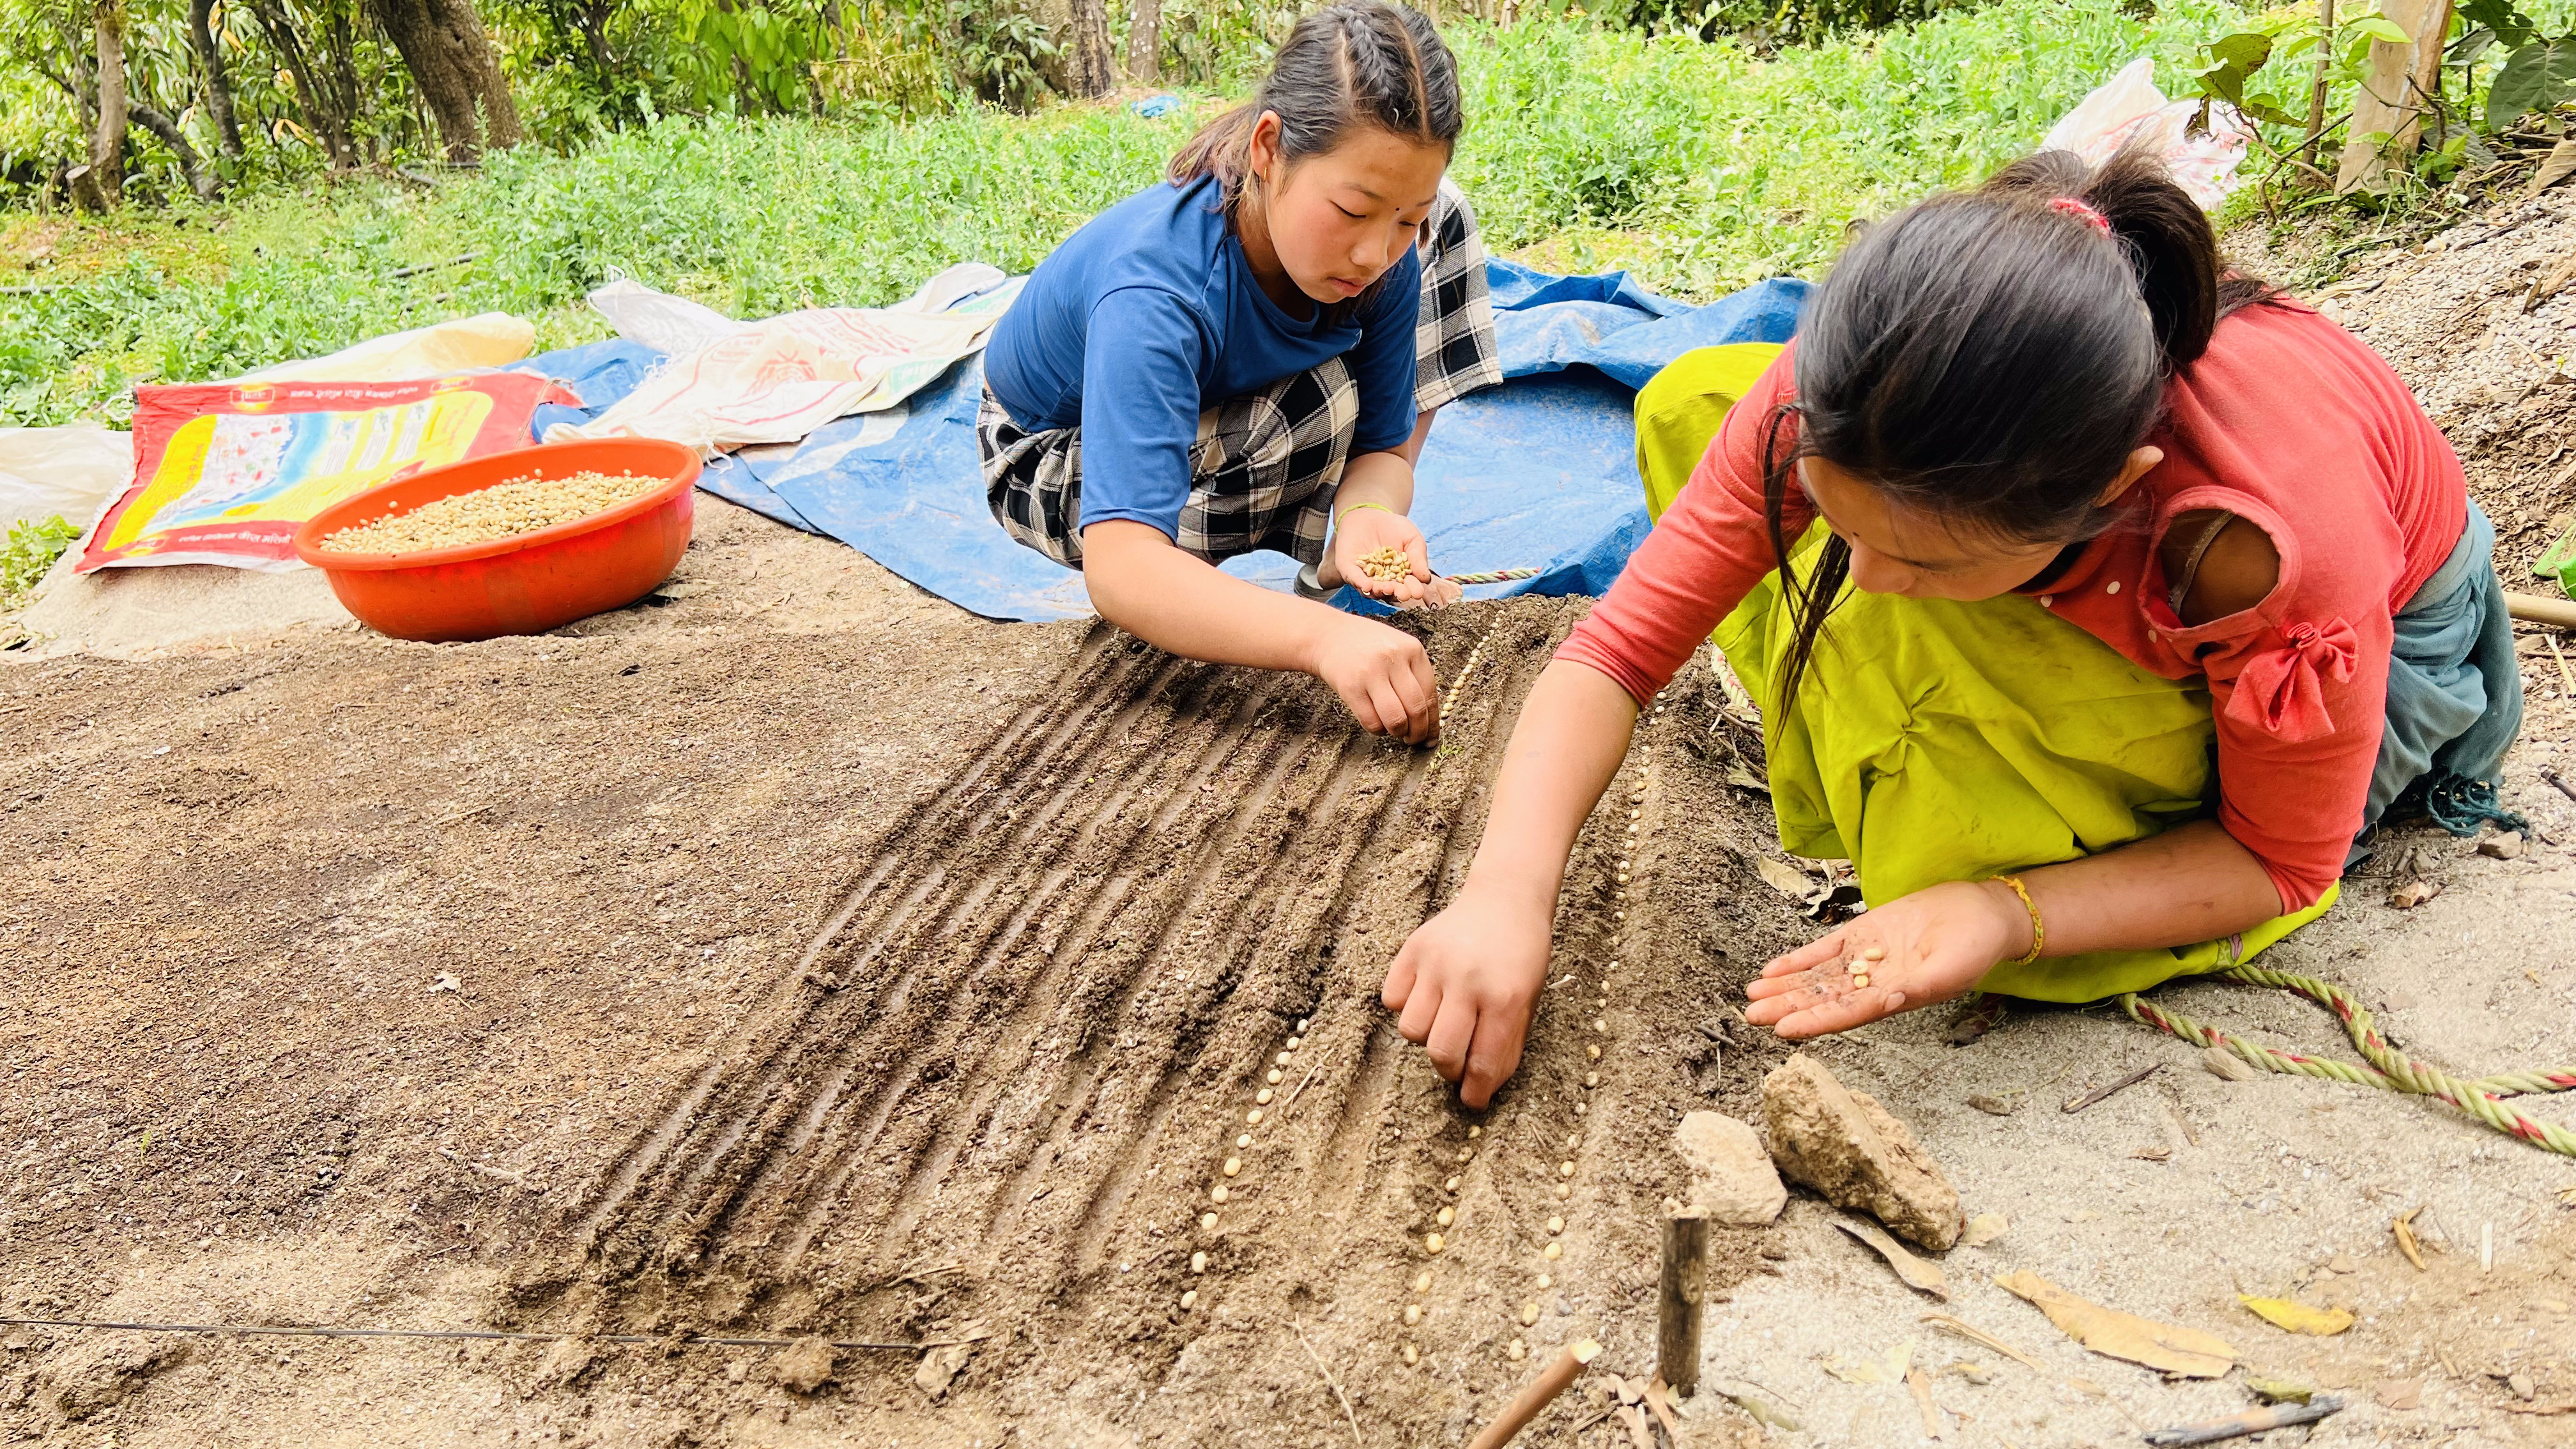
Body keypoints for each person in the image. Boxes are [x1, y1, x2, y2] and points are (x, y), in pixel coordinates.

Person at [1384, 147, 2522, 1108]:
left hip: (2382, 647)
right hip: (2074, 540)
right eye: (1837, 519)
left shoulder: (2252, 553)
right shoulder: (1859, 393)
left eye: (1925, 558)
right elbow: (1619, 648)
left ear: (2110, 489)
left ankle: (2004, 817)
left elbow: (2277, 858)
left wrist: (2000, 910)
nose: (1863, 581)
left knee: (1961, 809)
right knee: (1693, 398)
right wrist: (1504, 891)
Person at [979, 0, 1500, 746]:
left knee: (1445, 224)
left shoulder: (1389, 252)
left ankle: (1313, 565)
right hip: (1050, 451)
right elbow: (1121, 567)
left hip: (1212, 405)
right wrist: (1320, 640)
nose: (1374, 253)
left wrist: (1363, 520)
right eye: (1352, 211)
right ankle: (1217, 601)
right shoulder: (1159, 292)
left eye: (1402, 219)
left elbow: (1383, 452)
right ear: (1267, 148)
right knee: (1310, 408)